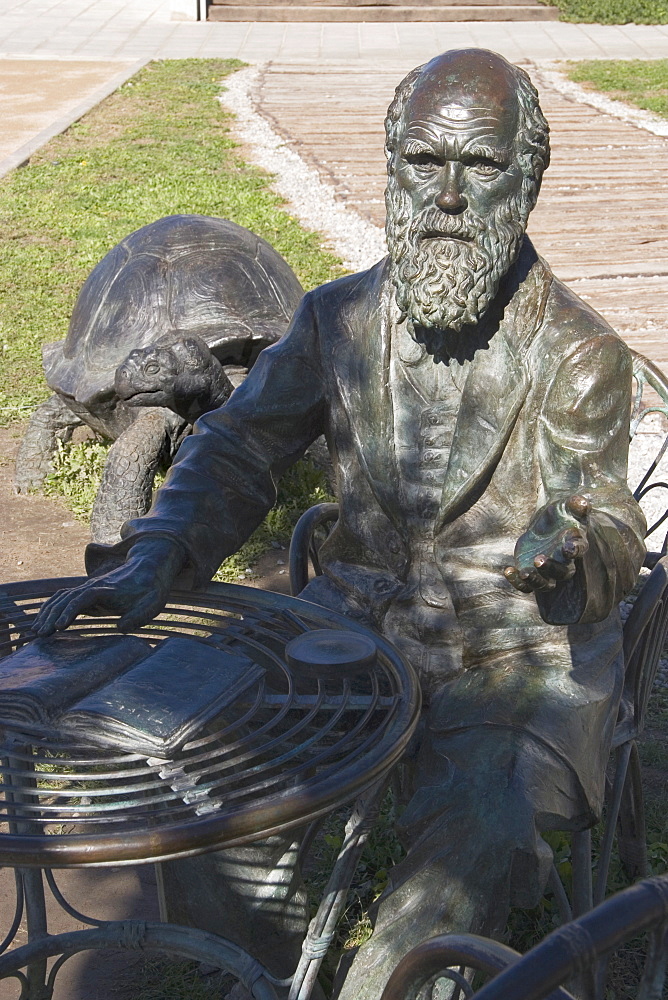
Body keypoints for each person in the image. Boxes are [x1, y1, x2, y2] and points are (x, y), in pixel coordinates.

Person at [34, 49, 645, 1000]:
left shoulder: (578, 355)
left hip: (517, 666)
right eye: (421, 162)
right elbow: (235, 449)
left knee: (463, 856)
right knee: (205, 767)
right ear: (390, 166)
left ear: (525, 183)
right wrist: (158, 552)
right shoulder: (336, 321)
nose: (446, 194)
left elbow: (606, 523)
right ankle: (254, 972)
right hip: (349, 639)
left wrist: (569, 545)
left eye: (480, 167)